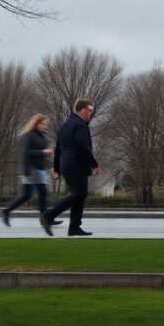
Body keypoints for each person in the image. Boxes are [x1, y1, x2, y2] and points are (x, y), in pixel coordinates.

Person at [41, 100, 100, 236]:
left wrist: (56, 167)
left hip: (66, 165)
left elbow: (58, 148)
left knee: (78, 196)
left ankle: (74, 228)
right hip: (77, 165)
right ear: (82, 110)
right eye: (90, 110)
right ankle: (49, 215)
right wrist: (94, 164)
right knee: (79, 194)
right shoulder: (80, 125)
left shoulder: (65, 124)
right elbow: (83, 147)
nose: (91, 113)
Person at [0, 114, 56, 228]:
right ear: (36, 124)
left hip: (38, 168)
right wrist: (43, 152)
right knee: (42, 193)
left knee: (27, 195)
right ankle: (45, 219)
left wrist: (50, 166)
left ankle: (7, 210)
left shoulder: (41, 136)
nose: (45, 126)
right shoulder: (29, 136)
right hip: (31, 169)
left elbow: (40, 156)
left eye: (46, 124)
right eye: (43, 124)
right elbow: (26, 153)